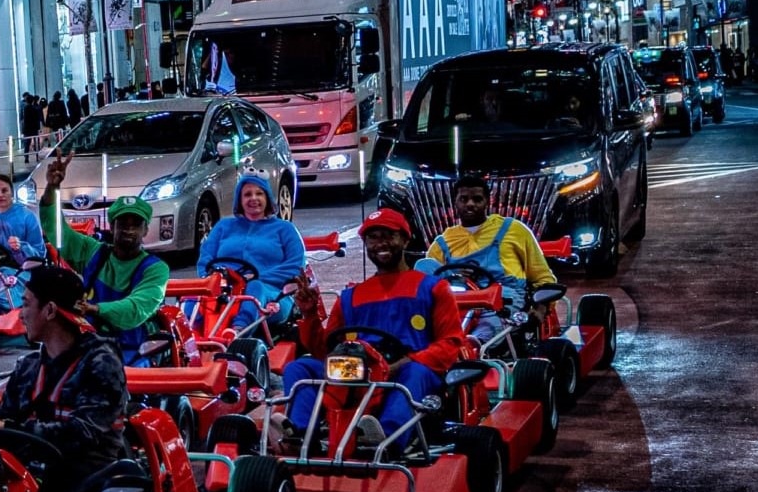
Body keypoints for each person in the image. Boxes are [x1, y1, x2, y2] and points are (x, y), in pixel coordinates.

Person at [278, 210, 470, 449]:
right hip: (358, 370)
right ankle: (300, 433)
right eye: (373, 238)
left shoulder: (433, 288)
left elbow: (450, 343)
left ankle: (385, 437)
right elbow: (325, 351)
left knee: (415, 373)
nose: (381, 244)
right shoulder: (350, 297)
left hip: (406, 368)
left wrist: (403, 363)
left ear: (405, 239)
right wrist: (309, 314)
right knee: (299, 367)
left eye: (388, 236)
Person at [0, 263, 130, 492]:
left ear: (49, 310)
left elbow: (84, 434)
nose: (20, 313)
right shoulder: (28, 368)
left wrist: (10, 429)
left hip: (83, 475)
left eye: (25, 304)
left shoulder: (101, 363)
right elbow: (4, 419)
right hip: (30, 470)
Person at [40, 153, 171, 363]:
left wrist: (96, 309)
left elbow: (136, 310)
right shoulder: (93, 252)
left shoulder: (156, 269)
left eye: (135, 224)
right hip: (90, 343)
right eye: (123, 223)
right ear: (112, 226)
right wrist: (52, 188)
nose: (128, 230)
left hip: (135, 351)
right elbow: (56, 230)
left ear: (146, 230)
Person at [421, 174, 555, 347]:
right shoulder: (443, 242)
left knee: (483, 331)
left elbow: (542, 276)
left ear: (487, 201)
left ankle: (474, 346)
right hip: (458, 299)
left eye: (477, 199)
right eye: (464, 199)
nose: (470, 204)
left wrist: (540, 309)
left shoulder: (513, 230)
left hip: (503, 297)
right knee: (423, 265)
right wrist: (454, 275)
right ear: (455, 202)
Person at [196, 173, 306, 329]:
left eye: (259, 193)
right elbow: (205, 260)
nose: (253, 198)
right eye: (247, 194)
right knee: (194, 297)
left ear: (267, 197)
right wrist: (213, 279)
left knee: (255, 287)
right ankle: (188, 341)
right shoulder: (223, 226)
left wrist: (252, 278)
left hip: (272, 293)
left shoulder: (284, 229)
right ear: (239, 200)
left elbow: (296, 265)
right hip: (224, 292)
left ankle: (237, 332)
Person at [0, 175, 46, 307]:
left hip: (19, 268)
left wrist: (20, 248)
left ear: (11, 192)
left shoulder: (27, 217)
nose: (0, 195)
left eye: (4, 191)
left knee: (6, 279)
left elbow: (39, 253)